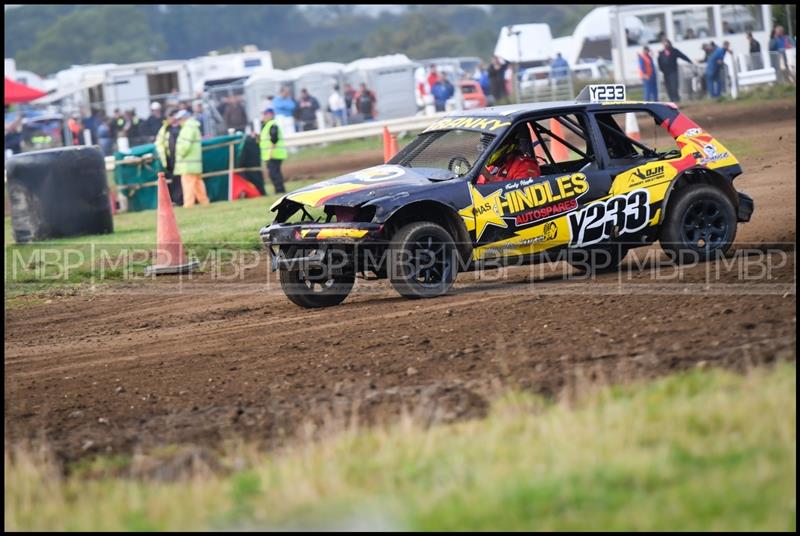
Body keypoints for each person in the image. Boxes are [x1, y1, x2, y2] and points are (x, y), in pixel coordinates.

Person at [174, 110, 208, 207]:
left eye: (180, 119)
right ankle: (204, 202)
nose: (179, 122)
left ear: (184, 118)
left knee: (187, 184)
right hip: (195, 163)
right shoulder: (194, 127)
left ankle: (188, 204)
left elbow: (185, 145)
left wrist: (180, 153)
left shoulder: (187, 128)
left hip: (187, 163)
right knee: (198, 183)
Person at [155, 108, 183, 206]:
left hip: (182, 158)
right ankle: (175, 199)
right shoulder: (165, 129)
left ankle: (180, 199)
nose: (172, 118)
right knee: (173, 179)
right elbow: (159, 143)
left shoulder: (182, 127)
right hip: (170, 159)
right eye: (170, 116)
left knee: (181, 179)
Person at [259, 107, 287, 194]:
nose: (263, 117)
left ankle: (279, 190)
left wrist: (270, 152)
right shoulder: (267, 125)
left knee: (274, 174)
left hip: (274, 154)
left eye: (265, 114)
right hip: (273, 154)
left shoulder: (272, 125)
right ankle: (279, 189)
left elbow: (274, 139)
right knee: (275, 173)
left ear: (270, 115)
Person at [657, 39, 693, 103]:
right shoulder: (661, 53)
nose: (665, 45)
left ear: (669, 43)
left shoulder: (674, 51)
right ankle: (671, 100)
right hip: (665, 72)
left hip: (673, 71)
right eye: (664, 44)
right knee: (668, 87)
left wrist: (690, 61)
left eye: (666, 43)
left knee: (674, 86)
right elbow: (659, 62)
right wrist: (661, 70)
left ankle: (676, 99)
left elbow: (682, 56)